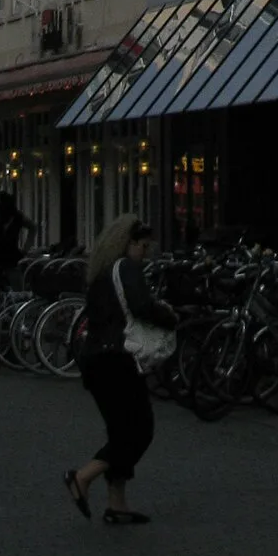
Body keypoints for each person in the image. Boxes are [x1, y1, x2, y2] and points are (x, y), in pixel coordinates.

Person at [64, 216, 171, 526]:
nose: (146, 252)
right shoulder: (126, 268)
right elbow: (141, 307)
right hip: (117, 360)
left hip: (96, 361)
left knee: (120, 430)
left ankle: (117, 503)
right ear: (128, 243)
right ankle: (82, 477)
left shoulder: (100, 272)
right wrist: (169, 316)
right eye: (143, 245)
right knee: (140, 429)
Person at [0, 186, 33, 277]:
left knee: (15, 285)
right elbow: (32, 227)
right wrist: (26, 248)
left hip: (7, 258)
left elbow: (32, 227)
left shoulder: (16, 217)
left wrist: (26, 248)